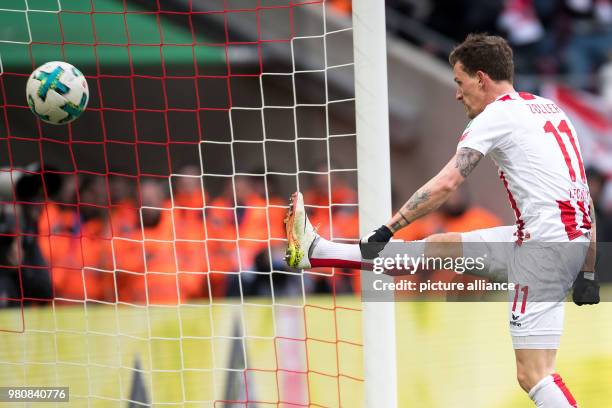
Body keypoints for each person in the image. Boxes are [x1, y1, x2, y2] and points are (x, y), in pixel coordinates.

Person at [285, 34, 600, 407]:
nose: (457, 93)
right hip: (556, 242)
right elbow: (583, 197)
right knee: (440, 248)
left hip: (541, 252)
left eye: (460, 82)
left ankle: (318, 252)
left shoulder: (496, 115)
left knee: (535, 373)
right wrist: (589, 274)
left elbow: (448, 182)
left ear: (481, 79)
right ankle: (316, 252)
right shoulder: (549, 110)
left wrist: (389, 227)